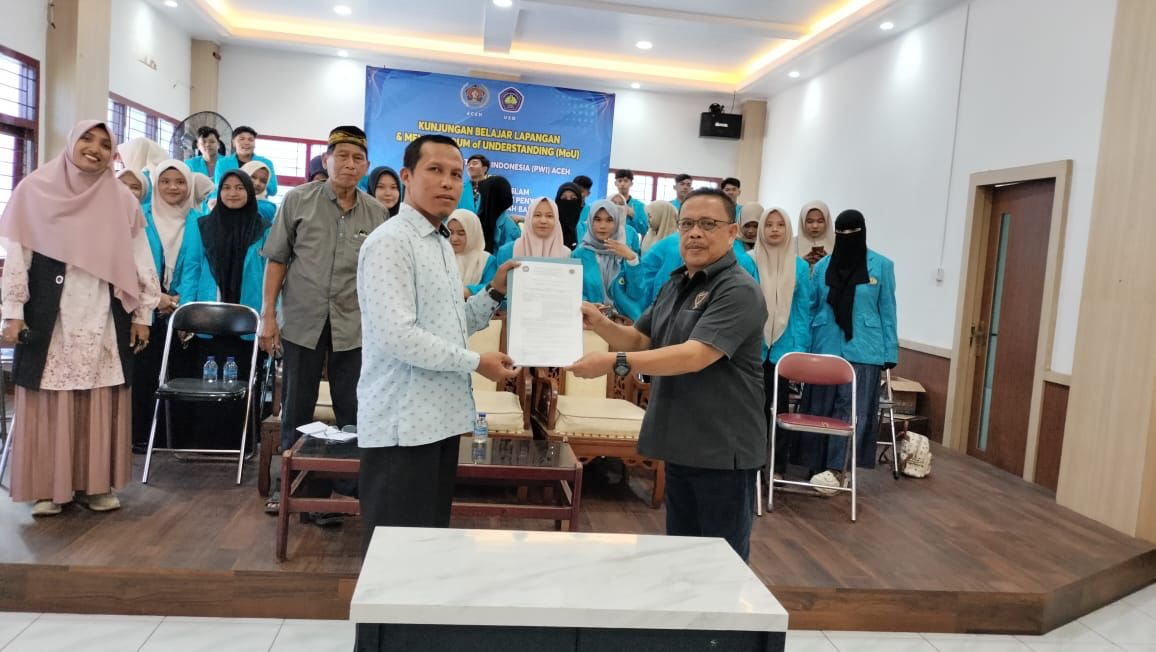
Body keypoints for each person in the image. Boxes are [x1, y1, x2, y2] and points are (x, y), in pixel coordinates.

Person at [355, 134, 518, 648]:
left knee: (424, 559)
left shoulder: (441, 243)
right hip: (402, 427)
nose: (448, 182)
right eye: (435, 170)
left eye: (455, 174)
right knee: (392, 568)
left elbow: (451, 326)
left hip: (439, 421)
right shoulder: (391, 243)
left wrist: (494, 291)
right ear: (406, 177)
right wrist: (478, 363)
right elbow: (399, 336)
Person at [569, 187, 767, 561]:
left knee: (720, 563)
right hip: (681, 441)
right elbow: (641, 339)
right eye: (687, 224)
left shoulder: (738, 290)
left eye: (708, 224)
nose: (695, 234)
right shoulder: (677, 283)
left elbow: (695, 356)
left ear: (732, 232)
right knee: (682, 555)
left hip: (722, 448)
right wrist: (599, 323)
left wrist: (614, 363)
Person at [0, 120, 160, 516]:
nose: (95, 149)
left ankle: (95, 485)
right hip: (49, 317)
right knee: (49, 399)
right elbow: (18, 257)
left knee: (97, 398)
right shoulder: (34, 191)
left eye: (105, 144)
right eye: (87, 139)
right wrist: (13, 313)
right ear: (71, 143)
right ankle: (46, 489)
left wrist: (143, 314)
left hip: (103, 316)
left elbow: (141, 259)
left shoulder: (121, 200)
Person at [259, 125, 386, 521]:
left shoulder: (377, 212)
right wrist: (267, 316)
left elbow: (382, 274)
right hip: (303, 320)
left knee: (353, 410)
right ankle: (292, 487)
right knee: (297, 407)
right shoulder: (298, 200)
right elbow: (277, 260)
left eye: (357, 158)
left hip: (354, 325)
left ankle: (344, 489)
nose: (349, 164)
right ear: (327, 160)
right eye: (341, 156)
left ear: (366, 166)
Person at [806, 210, 898, 494]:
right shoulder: (823, 267)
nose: (847, 237)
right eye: (841, 233)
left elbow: (888, 310)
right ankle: (817, 464)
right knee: (821, 407)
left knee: (852, 411)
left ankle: (839, 469)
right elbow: (812, 307)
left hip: (864, 348)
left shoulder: (881, 265)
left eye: (852, 232)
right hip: (825, 345)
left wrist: (890, 351)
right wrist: (805, 347)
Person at [131, 159, 205, 453]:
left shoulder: (198, 219)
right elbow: (133, 261)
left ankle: (176, 438)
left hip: (182, 309)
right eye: (165, 181)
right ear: (156, 185)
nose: (173, 187)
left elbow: (196, 266)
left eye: (180, 182)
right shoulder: (141, 214)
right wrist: (155, 298)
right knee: (144, 374)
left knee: (179, 373)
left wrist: (180, 304)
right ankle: (142, 437)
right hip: (143, 307)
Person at [751, 207, 814, 480]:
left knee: (778, 408)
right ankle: (750, 463)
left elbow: (803, 311)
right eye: (769, 224)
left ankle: (776, 466)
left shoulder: (799, 266)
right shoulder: (748, 261)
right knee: (752, 408)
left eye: (780, 225)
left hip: (784, 349)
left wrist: (799, 349)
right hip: (752, 347)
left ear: (788, 230)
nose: (775, 229)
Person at [571, 199, 645, 321]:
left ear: (617, 223)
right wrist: (589, 307)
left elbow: (636, 293)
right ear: (590, 222)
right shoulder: (578, 255)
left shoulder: (624, 253)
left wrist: (632, 259)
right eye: (597, 219)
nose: (603, 226)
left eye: (609, 220)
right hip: (589, 320)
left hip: (623, 322)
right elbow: (573, 292)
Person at [215, 126, 278, 197]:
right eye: (241, 139)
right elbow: (219, 187)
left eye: (250, 140)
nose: (246, 143)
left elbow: (273, 190)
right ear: (233, 143)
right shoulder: (222, 163)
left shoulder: (266, 163)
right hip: (231, 200)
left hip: (257, 202)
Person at [447, 208, 497, 297]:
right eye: (450, 232)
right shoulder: (442, 256)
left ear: (473, 233)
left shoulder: (485, 260)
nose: (454, 238)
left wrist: (469, 291)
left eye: (461, 233)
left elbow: (493, 286)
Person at [116, 137, 168, 210]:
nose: (124, 163)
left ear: (135, 155)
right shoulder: (160, 174)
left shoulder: (141, 177)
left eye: (125, 158)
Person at [476, 175, 519, 252]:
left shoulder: (510, 230)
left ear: (490, 199)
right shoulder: (479, 222)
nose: (479, 200)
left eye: (482, 196)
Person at [797, 200, 834, 268]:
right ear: (803, 221)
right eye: (810, 221)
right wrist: (801, 263)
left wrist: (830, 262)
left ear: (827, 221)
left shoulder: (838, 242)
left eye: (820, 221)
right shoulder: (791, 243)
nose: (815, 226)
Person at [613, 169, 650, 236]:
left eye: (626, 181)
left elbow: (644, 230)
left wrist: (633, 215)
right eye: (620, 181)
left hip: (631, 241)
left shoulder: (639, 206)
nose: (622, 184)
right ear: (615, 183)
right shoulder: (609, 203)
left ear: (631, 184)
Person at [555, 182, 585, 250]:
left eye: (573, 199)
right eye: (564, 199)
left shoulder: (586, 229)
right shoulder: (550, 228)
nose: (568, 202)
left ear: (579, 202)